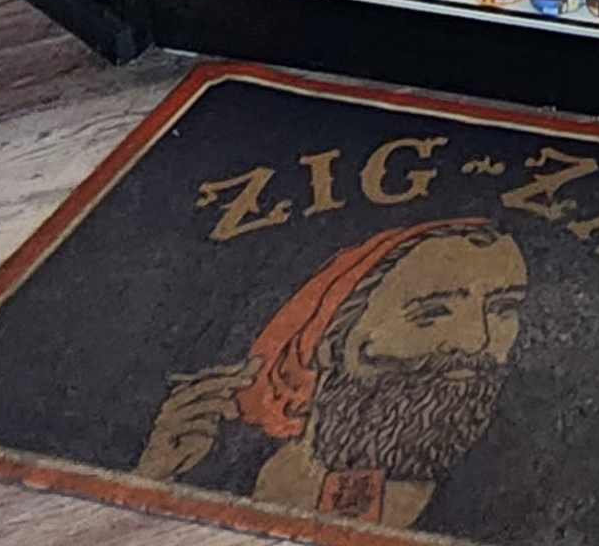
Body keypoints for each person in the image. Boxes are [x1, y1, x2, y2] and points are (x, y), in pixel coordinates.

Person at [134, 217, 529, 531]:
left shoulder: (519, 494)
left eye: (504, 309)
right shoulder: (205, 460)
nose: (477, 341)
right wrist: (152, 480)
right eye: (432, 313)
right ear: (329, 340)